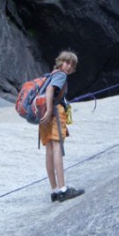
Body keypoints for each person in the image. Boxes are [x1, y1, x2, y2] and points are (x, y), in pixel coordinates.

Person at [39, 51, 85, 203]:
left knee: (49, 150)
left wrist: (46, 110)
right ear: (60, 62)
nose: (69, 66)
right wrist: (51, 109)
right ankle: (63, 189)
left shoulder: (50, 74)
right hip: (54, 113)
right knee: (57, 148)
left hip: (43, 114)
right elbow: (50, 89)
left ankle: (54, 191)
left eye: (72, 65)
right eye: (67, 62)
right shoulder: (60, 76)